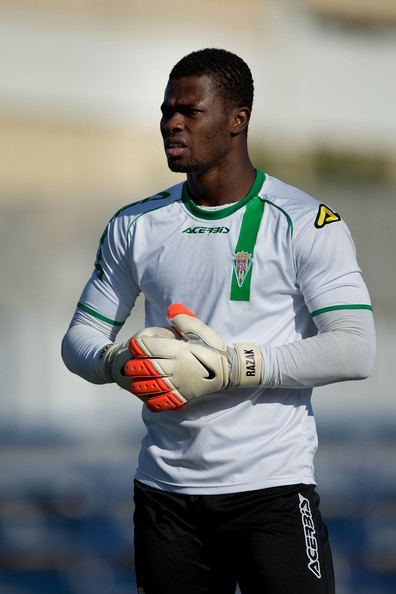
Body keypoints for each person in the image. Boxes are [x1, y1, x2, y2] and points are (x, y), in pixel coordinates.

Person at [62, 48, 376, 594]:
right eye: (165, 110)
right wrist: (117, 364)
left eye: (189, 110)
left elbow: (355, 347)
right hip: (164, 496)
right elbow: (79, 340)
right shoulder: (135, 224)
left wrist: (234, 367)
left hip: (272, 493)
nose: (171, 123)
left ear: (238, 120)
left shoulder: (306, 222)